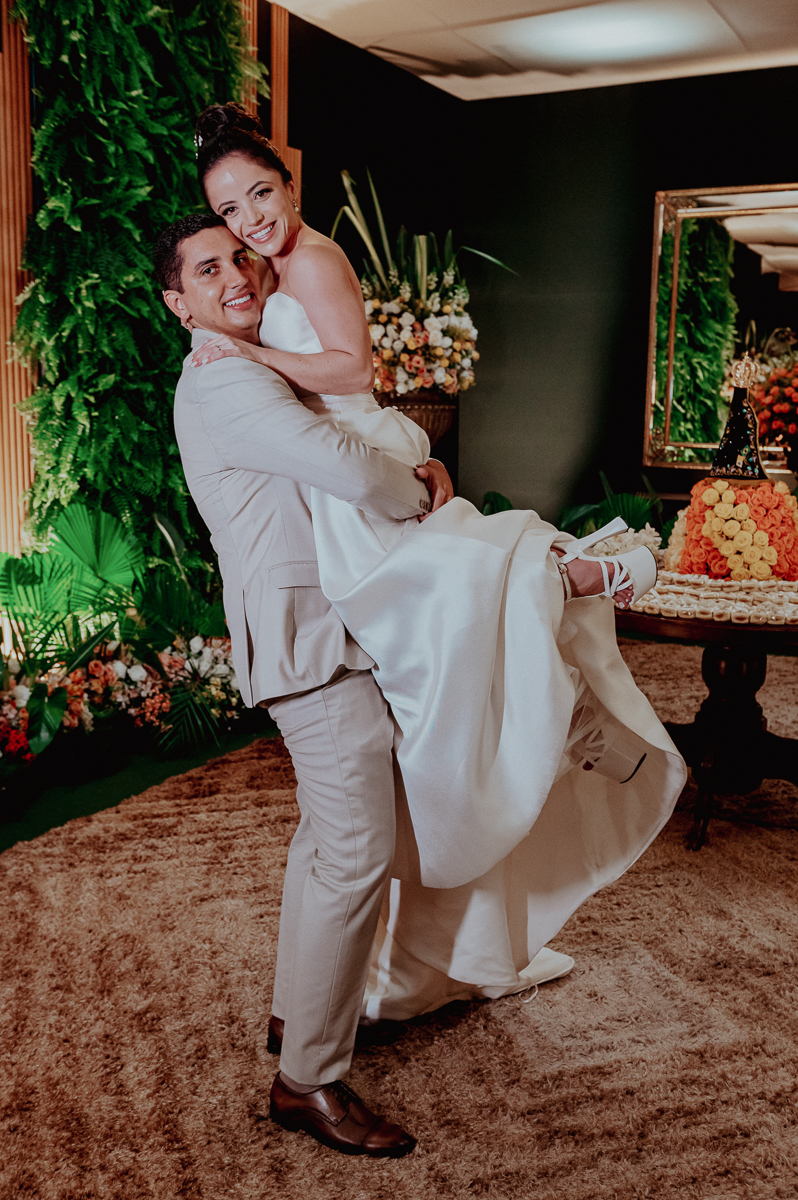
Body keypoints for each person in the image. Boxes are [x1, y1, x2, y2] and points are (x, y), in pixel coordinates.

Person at [185, 103, 686, 1026]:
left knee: (447, 586)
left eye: (261, 192)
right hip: (331, 475)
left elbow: (350, 366)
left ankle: (575, 576)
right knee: (430, 633)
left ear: (290, 182)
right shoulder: (255, 282)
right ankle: (573, 719)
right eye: (231, 209)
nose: (251, 218)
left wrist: (252, 347)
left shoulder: (315, 260)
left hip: (349, 448)